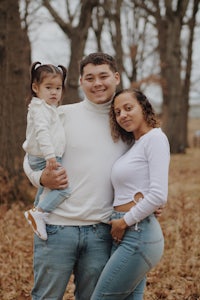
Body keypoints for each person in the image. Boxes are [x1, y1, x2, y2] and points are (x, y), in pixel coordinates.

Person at [23, 53, 163, 300]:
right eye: (90, 78)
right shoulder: (62, 114)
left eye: (103, 76)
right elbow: (30, 157)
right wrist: (41, 179)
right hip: (56, 228)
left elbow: (139, 172)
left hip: (102, 231)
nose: (97, 83)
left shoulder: (126, 124)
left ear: (116, 77)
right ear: (81, 81)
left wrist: (145, 203)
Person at [91, 88, 170, 300]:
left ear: (143, 108)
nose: (122, 115)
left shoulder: (155, 139)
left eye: (128, 108)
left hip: (138, 234)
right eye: (117, 112)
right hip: (126, 231)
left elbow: (159, 195)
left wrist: (124, 221)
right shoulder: (135, 144)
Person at [23, 62, 71, 240]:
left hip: (45, 156)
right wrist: (50, 156)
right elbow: (42, 132)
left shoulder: (49, 109)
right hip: (44, 158)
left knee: (43, 192)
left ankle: (37, 212)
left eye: (58, 88)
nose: (54, 92)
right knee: (64, 189)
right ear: (36, 88)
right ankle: (39, 212)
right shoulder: (39, 109)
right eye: (48, 87)